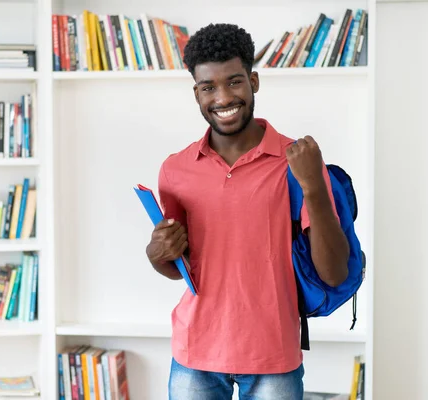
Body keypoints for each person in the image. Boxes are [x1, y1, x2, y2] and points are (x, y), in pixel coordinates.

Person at [144, 23, 350, 400]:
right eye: (209, 87)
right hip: (195, 352)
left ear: (254, 81)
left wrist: (314, 187)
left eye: (235, 82)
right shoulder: (176, 169)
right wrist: (156, 254)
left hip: (273, 355)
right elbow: (179, 270)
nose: (223, 97)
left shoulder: (297, 160)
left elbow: (334, 272)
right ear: (196, 94)